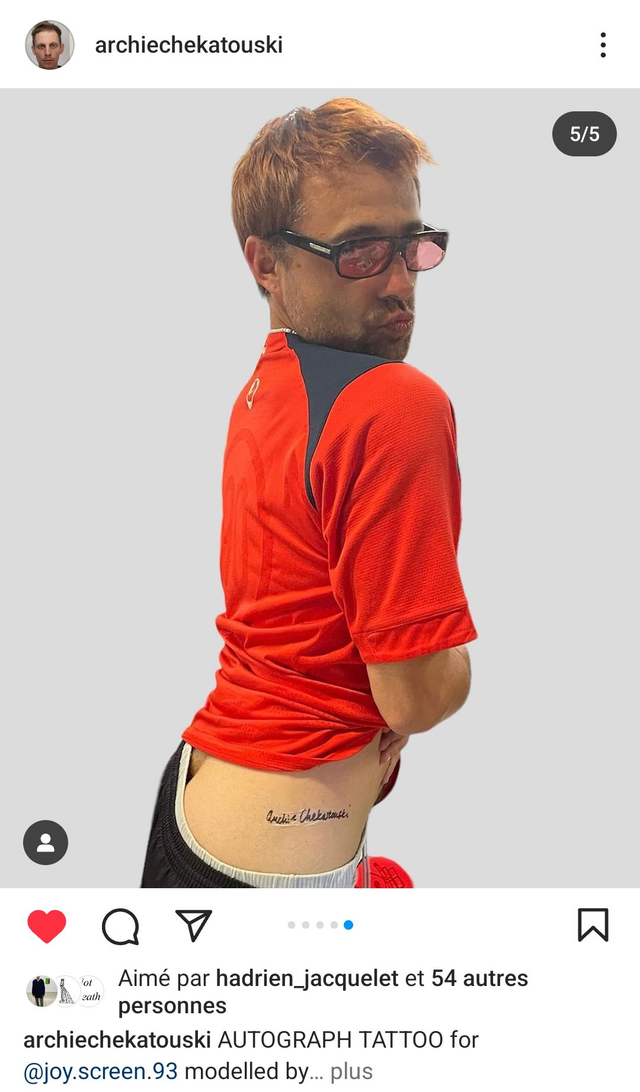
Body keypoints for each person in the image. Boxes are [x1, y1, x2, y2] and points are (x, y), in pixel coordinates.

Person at [141, 98, 477, 889]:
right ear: (265, 263)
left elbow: (300, 625)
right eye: (360, 250)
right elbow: (415, 696)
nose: (399, 281)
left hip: (197, 799)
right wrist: (446, 670)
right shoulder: (394, 404)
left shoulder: (266, 391)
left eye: (412, 244)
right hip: (277, 874)